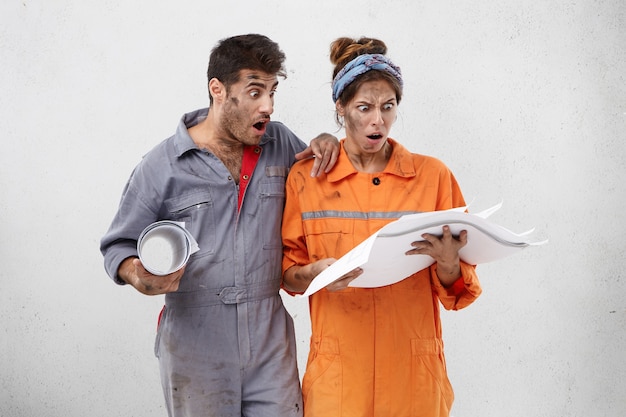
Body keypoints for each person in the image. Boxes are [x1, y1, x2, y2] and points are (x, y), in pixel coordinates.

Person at [100, 34, 340, 417]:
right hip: (196, 341)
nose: (269, 106)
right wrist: (139, 275)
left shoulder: (280, 144)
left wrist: (329, 141)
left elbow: (325, 185)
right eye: (255, 92)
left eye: (273, 91)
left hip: (269, 341)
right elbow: (118, 245)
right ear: (218, 89)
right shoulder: (164, 164)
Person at [281, 37, 483, 417]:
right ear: (340, 108)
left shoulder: (433, 177)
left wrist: (448, 263)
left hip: (413, 377)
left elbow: (461, 290)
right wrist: (317, 274)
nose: (379, 120)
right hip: (339, 379)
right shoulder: (306, 180)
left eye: (388, 107)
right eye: (365, 107)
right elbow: (287, 275)